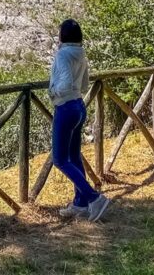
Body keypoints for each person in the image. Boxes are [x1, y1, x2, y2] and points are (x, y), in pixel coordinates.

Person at [48, 18, 110, 221]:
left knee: (59, 159)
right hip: (79, 106)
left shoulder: (63, 55)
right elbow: (84, 85)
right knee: (74, 157)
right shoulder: (80, 54)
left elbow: (65, 83)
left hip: (65, 107)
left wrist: (53, 92)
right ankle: (80, 203)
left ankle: (94, 198)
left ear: (62, 36)